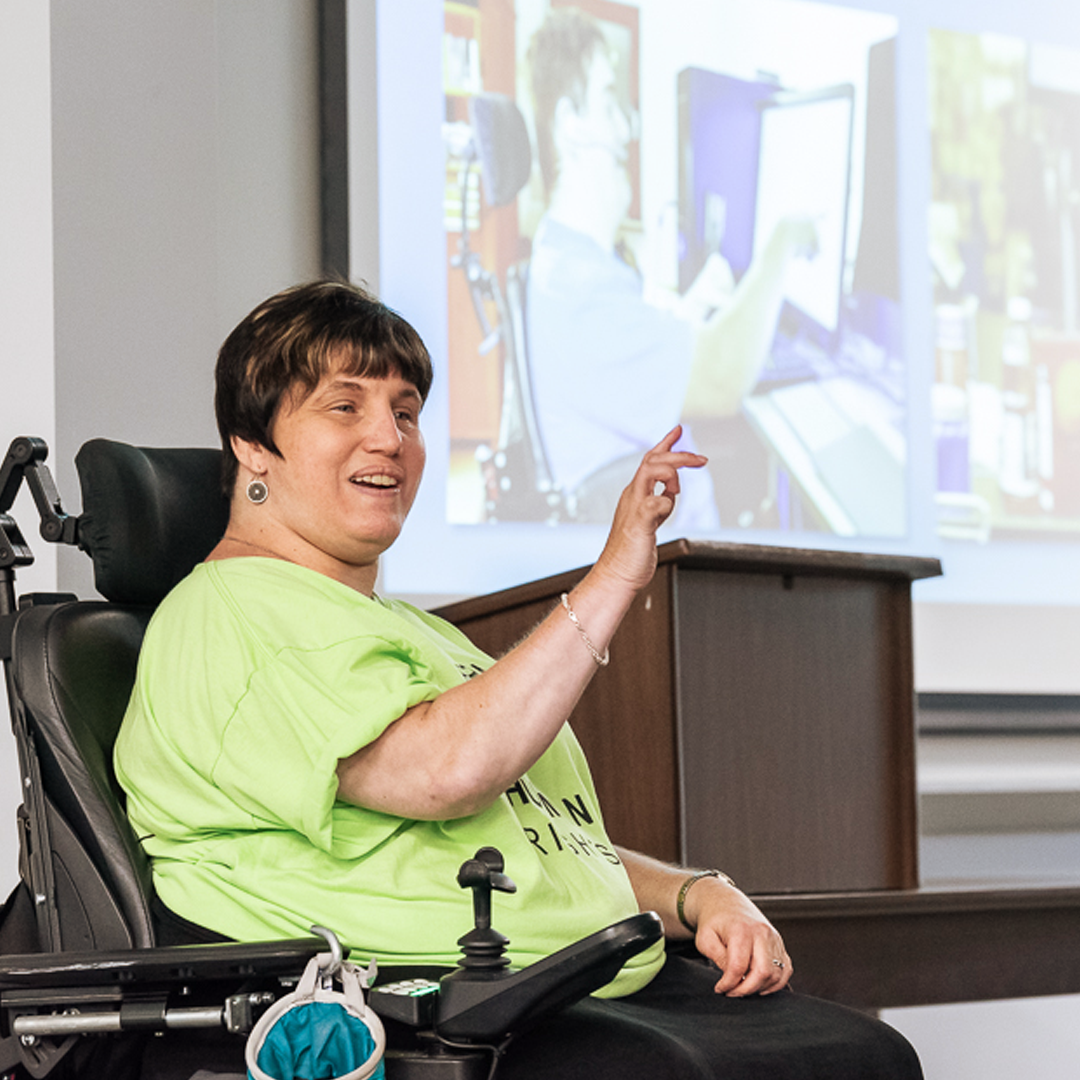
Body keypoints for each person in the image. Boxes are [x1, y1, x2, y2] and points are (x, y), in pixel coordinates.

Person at [115, 280, 921, 1078]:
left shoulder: (416, 632)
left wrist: (696, 894)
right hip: (432, 1010)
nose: (389, 438)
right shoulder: (232, 613)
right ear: (252, 444)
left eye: (405, 411)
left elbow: (539, 839)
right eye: (345, 406)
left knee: (870, 1058)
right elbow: (446, 775)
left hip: (577, 980)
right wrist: (613, 576)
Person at [526, 8, 817, 525]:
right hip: (674, 570)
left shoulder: (571, 261)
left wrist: (690, 310)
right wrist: (784, 240)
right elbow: (721, 379)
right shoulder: (579, 289)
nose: (627, 126)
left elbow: (628, 358)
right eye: (609, 100)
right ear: (571, 124)